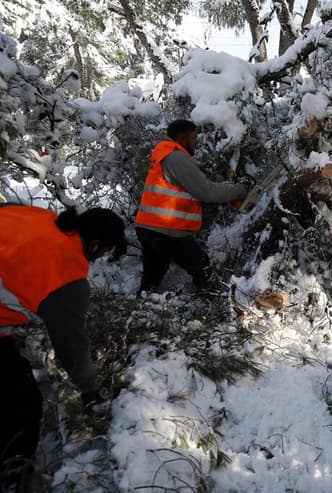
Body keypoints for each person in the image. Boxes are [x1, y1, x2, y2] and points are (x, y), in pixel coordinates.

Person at [0, 204, 125, 489]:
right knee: (22, 405)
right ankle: (13, 478)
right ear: (94, 245)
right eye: (104, 252)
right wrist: (90, 392)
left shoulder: (39, 217)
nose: (100, 258)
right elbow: (72, 345)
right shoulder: (65, 272)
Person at [135, 119, 249, 295]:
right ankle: (209, 309)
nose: (197, 141)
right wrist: (240, 190)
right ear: (182, 137)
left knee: (152, 279)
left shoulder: (164, 154)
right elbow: (206, 192)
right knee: (202, 268)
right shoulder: (176, 157)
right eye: (194, 137)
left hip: (149, 227)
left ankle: (142, 310)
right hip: (166, 230)